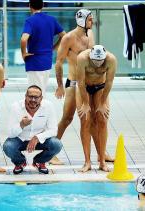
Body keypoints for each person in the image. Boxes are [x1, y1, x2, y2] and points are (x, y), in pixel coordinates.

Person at [51, 9, 94, 165]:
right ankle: (50, 151)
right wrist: (60, 86)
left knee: (93, 118)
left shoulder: (90, 34)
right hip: (73, 83)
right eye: (89, 19)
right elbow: (58, 63)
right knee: (67, 118)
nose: (92, 22)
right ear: (81, 20)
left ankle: (101, 153)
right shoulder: (68, 38)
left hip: (89, 83)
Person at [3, 85, 62, 175]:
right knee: (8, 146)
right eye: (30, 96)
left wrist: (37, 137)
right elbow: (10, 134)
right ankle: (20, 162)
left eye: (36, 97)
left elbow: (53, 130)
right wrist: (21, 125)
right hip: (20, 139)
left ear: (41, 98)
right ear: (25, 97)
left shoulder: (48, 106)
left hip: (39, 141)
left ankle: (39, 161)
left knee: (57, 144)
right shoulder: (15, 107)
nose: (33, 100)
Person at [76, 45, 117, 172]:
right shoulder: (82, 58)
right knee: (85, 120)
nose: (98, 64)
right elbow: (81, 82)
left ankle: (102, 161)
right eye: (95, 62)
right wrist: (86, 103)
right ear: (90, 56)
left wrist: (102, 102)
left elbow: (109, 82)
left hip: (101, 87)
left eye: (101, 62)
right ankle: (87, 162)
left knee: (102, 120)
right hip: (84, 88)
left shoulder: (111, 59)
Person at [20, 0, 65, 95]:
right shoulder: (51, 19)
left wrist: (24, 54)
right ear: (43, 5)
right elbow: (64, 36)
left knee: (34, 94)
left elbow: (24, 39)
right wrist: (54, 47)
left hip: (34, 61)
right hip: (47, 60)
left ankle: (38, 109)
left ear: (29, 6)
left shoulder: (30, 21)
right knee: (41, 91)